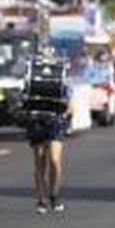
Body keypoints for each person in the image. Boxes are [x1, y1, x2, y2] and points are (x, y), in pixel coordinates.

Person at [24, 47, 72, 214]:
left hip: (55, 120)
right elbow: (25, 95)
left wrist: (65, 113)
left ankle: (54, 195)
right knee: (39, 162)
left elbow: (70, 102)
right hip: (37, 119)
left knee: (54, 159)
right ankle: (41, 199)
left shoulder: (62, 76)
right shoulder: (31, 74)